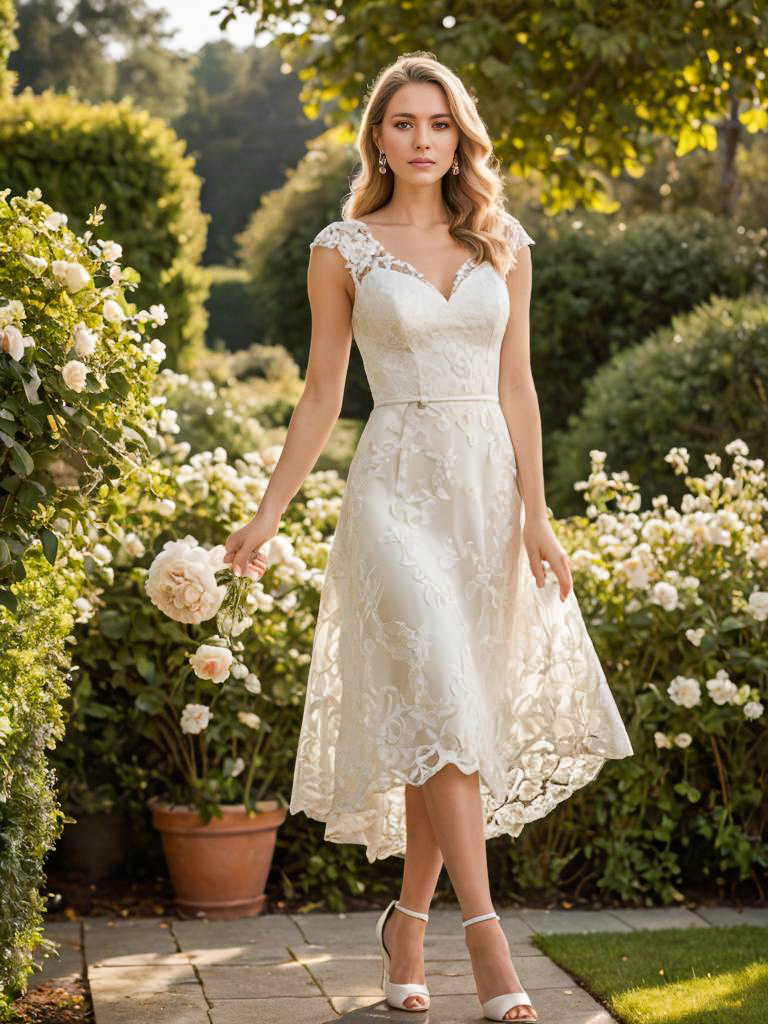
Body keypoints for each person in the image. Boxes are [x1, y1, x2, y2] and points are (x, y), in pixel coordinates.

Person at [224, 50, 633, 1024]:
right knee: (446, 699)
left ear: (460, 138)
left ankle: (406, 921)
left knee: (442, 724)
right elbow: (324, 394)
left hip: (486, 496)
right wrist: (269, 509)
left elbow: (519, 386)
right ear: (377, 137)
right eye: (403, 123)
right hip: (393, 491)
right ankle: (488, 941)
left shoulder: (503, 241)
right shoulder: (343, 247)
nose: (421, 139)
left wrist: (538, 514)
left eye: (438, 123)